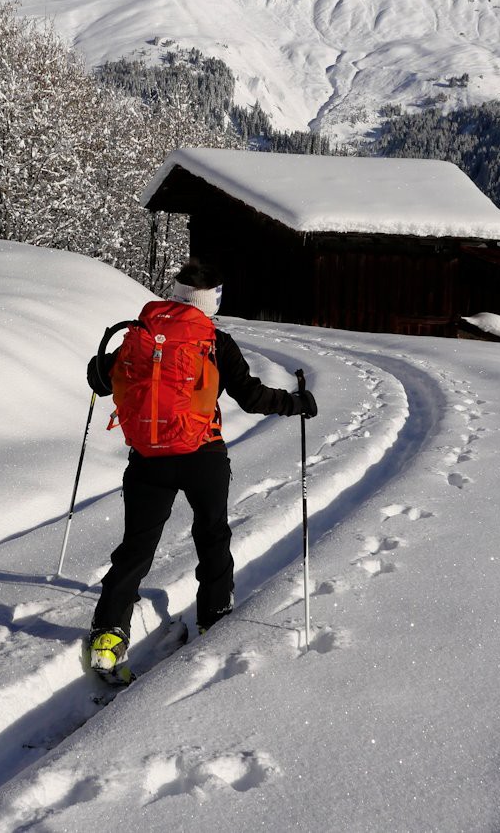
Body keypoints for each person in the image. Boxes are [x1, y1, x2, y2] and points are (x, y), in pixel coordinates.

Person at [84, 259, 317, 682]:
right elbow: (251, 397)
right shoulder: (214, 340)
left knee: (137, 547)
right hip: (201, 456)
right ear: (212, 301)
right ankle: (213, 616)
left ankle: (107, 635)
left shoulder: (140, 334)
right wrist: (296, 403)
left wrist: (102, 369)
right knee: (212, 534)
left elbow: (100, 379)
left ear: (174, 293)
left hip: (147, 460)